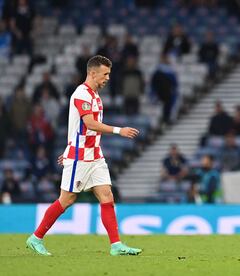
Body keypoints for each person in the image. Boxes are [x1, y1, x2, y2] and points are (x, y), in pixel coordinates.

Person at [26, 55, 142, 256]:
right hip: (80, 157)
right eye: (105, 74)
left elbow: (77, 127)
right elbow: (89, 123)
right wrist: (118, 131)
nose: (107, 78)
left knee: (107, 197)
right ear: (92, 72)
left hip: (95, 155)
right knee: (67, 200)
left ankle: (116, 245)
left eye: (109, 74)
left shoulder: (95, 95)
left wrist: (68, 147)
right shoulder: (81, 94)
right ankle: (36, 238)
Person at [151, 54, 178, 124]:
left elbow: (174, 83)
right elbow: (153, 83)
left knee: (168, 106)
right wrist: (153, 93)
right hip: (160, 93)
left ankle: (166, 119)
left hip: (168, 93)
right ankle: (160, 121)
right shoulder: (157, 72)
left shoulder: (170, 71)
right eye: (163, 59)